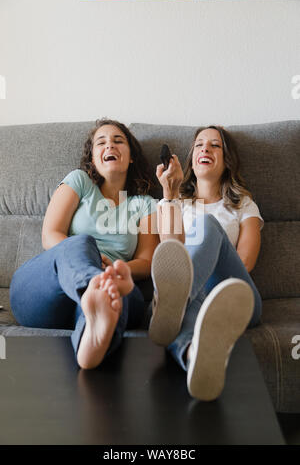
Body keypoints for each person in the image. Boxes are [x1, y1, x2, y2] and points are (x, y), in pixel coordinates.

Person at [10, 118, 159, 369]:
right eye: (101, 142)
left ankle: (91, 340)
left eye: (118, 141)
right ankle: (92, 288)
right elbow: (50, 235)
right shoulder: (80, 181)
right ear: (93, 158)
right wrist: (91, 264)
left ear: (131, 156)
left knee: (118, 293)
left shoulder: (144, 204)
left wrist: (115, 270)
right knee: (81, 243)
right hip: (47, 289)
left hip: (112, 282)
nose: (109, 145)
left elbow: (147, 260)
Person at [149, 125, 264, 401]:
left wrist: (190, 279)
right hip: (194, 300)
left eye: (215, 145)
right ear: (191, 158)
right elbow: (170, 250)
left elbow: (245, 262)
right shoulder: (176, 203)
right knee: (175, 321)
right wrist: (169, 195)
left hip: (236, 297)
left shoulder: (243, 205)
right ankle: (193, 359)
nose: (205, 149)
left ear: (227, 160)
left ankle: (177, 297)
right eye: (199, 144)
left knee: (207, 225)